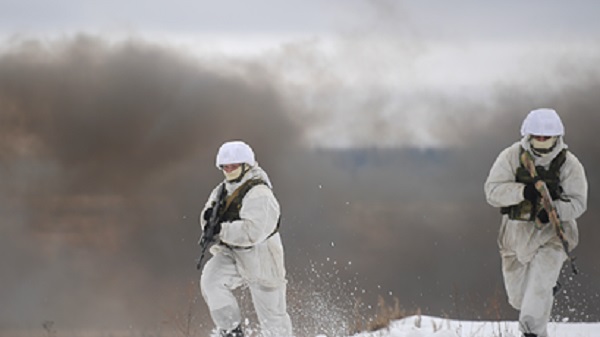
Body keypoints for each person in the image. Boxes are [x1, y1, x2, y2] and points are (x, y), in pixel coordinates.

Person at [484, 108, 588, 337]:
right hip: (514, 236)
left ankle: (532, 333)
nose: (541, 140)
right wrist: (523, 192)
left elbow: (579, 203)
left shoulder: (569, 165)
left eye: (546, 136)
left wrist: (553, 211)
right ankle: (544, 294)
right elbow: (492, 192)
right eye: (537, 136)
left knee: (536, 296)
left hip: (553, 236)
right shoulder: (512, 156)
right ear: (528, 135)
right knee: (519, 299)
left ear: (557, 136)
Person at [199, 140, 293, 337]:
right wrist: (209, 223)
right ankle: (231, 330)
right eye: (225, 166)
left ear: (246, 165)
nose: (229, 170)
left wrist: (221, 230)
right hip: (232, 253)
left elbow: (253, 232)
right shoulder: (221, 191)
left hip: (262, 258)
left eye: (234, 166)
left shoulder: (259, 193)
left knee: (273, 318)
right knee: (211, 281)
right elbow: (207, 218)